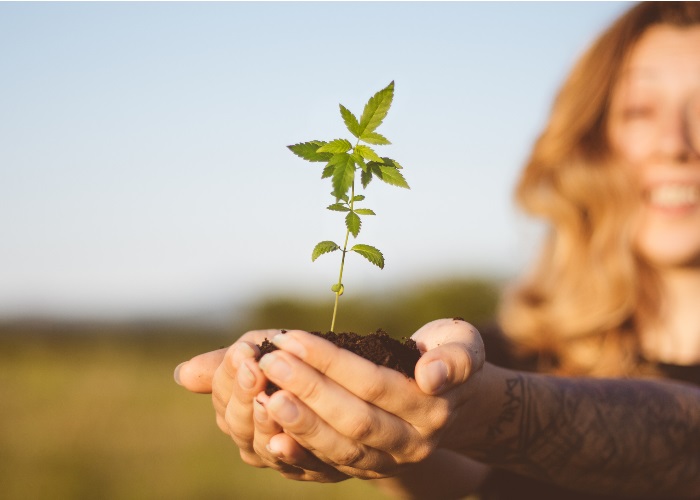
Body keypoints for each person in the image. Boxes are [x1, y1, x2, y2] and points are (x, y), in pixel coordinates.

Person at [174, 2, 700, 498]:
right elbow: (440, 467)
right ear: (593, 141)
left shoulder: (496, 382)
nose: (676, 143)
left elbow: (685, 443)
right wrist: (377, 421)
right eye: (639, 111)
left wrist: (485, 411)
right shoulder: (513, 354)